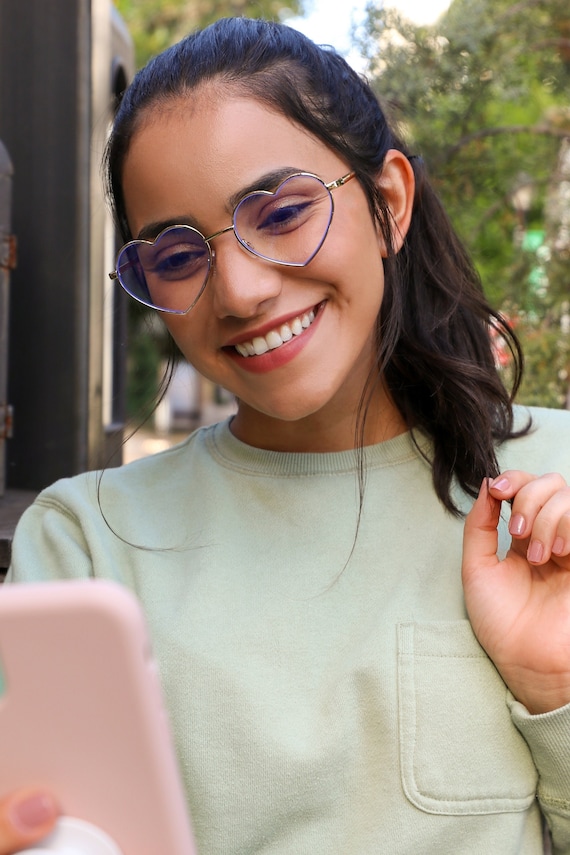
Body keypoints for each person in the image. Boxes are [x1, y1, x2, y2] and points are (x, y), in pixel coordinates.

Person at [2, 15, 570, 854]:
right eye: (176, 254)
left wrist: (553, 687)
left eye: (282, 211)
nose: (238, 290)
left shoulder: (555, 489)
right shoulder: (89, 541)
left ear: (388, 204)